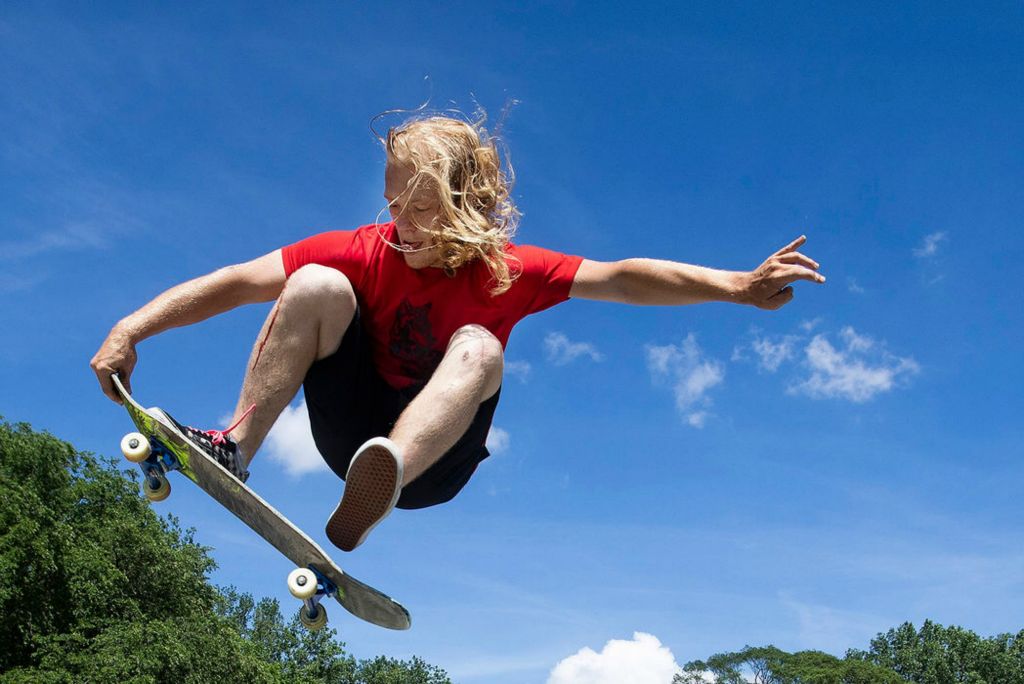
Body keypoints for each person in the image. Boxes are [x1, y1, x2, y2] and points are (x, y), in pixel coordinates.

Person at [91, 115, 826, 552]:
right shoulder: (364, 249)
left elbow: (622, 276)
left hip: (430, 467)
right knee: (310, 283)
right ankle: (235, 450)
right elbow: (235, 281)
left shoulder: (510, 271)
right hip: (348, 433)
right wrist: (133, 326)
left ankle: (386, 478)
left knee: (481, 343)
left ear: (464, 203)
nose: (395, 225)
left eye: (415, 208)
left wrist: (736, 286)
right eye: (389, 205)